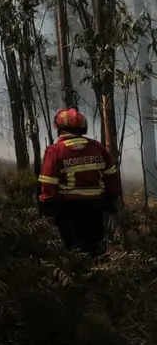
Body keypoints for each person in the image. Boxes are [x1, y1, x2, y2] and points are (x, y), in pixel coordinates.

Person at [38, 107, 121, 255]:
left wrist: (47, 207)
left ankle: (82, 273)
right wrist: (111, 199)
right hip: (96, 206)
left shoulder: (55, 151)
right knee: (95, 245)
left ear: (59, 129)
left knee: (74, 249)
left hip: (68, 208)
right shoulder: (97, 147)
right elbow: (111, 176)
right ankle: (101, 273)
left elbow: (48, 183)